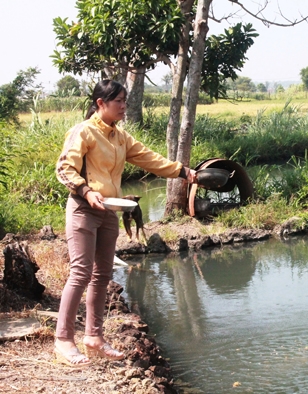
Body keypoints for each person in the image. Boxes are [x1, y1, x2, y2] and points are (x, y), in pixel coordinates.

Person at [54, 80, 197, 367]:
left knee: (102, 275)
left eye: (125, 100)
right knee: (80, 272)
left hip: (110, 211)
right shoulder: (84, 132)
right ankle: (63, 340)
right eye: (118, 101)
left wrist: (182, 171)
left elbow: (149, 159)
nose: (123, 106)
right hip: (84, 208)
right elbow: (64, 168)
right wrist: (86, 190)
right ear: (100, 103)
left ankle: (94, 337)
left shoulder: (120, 137)